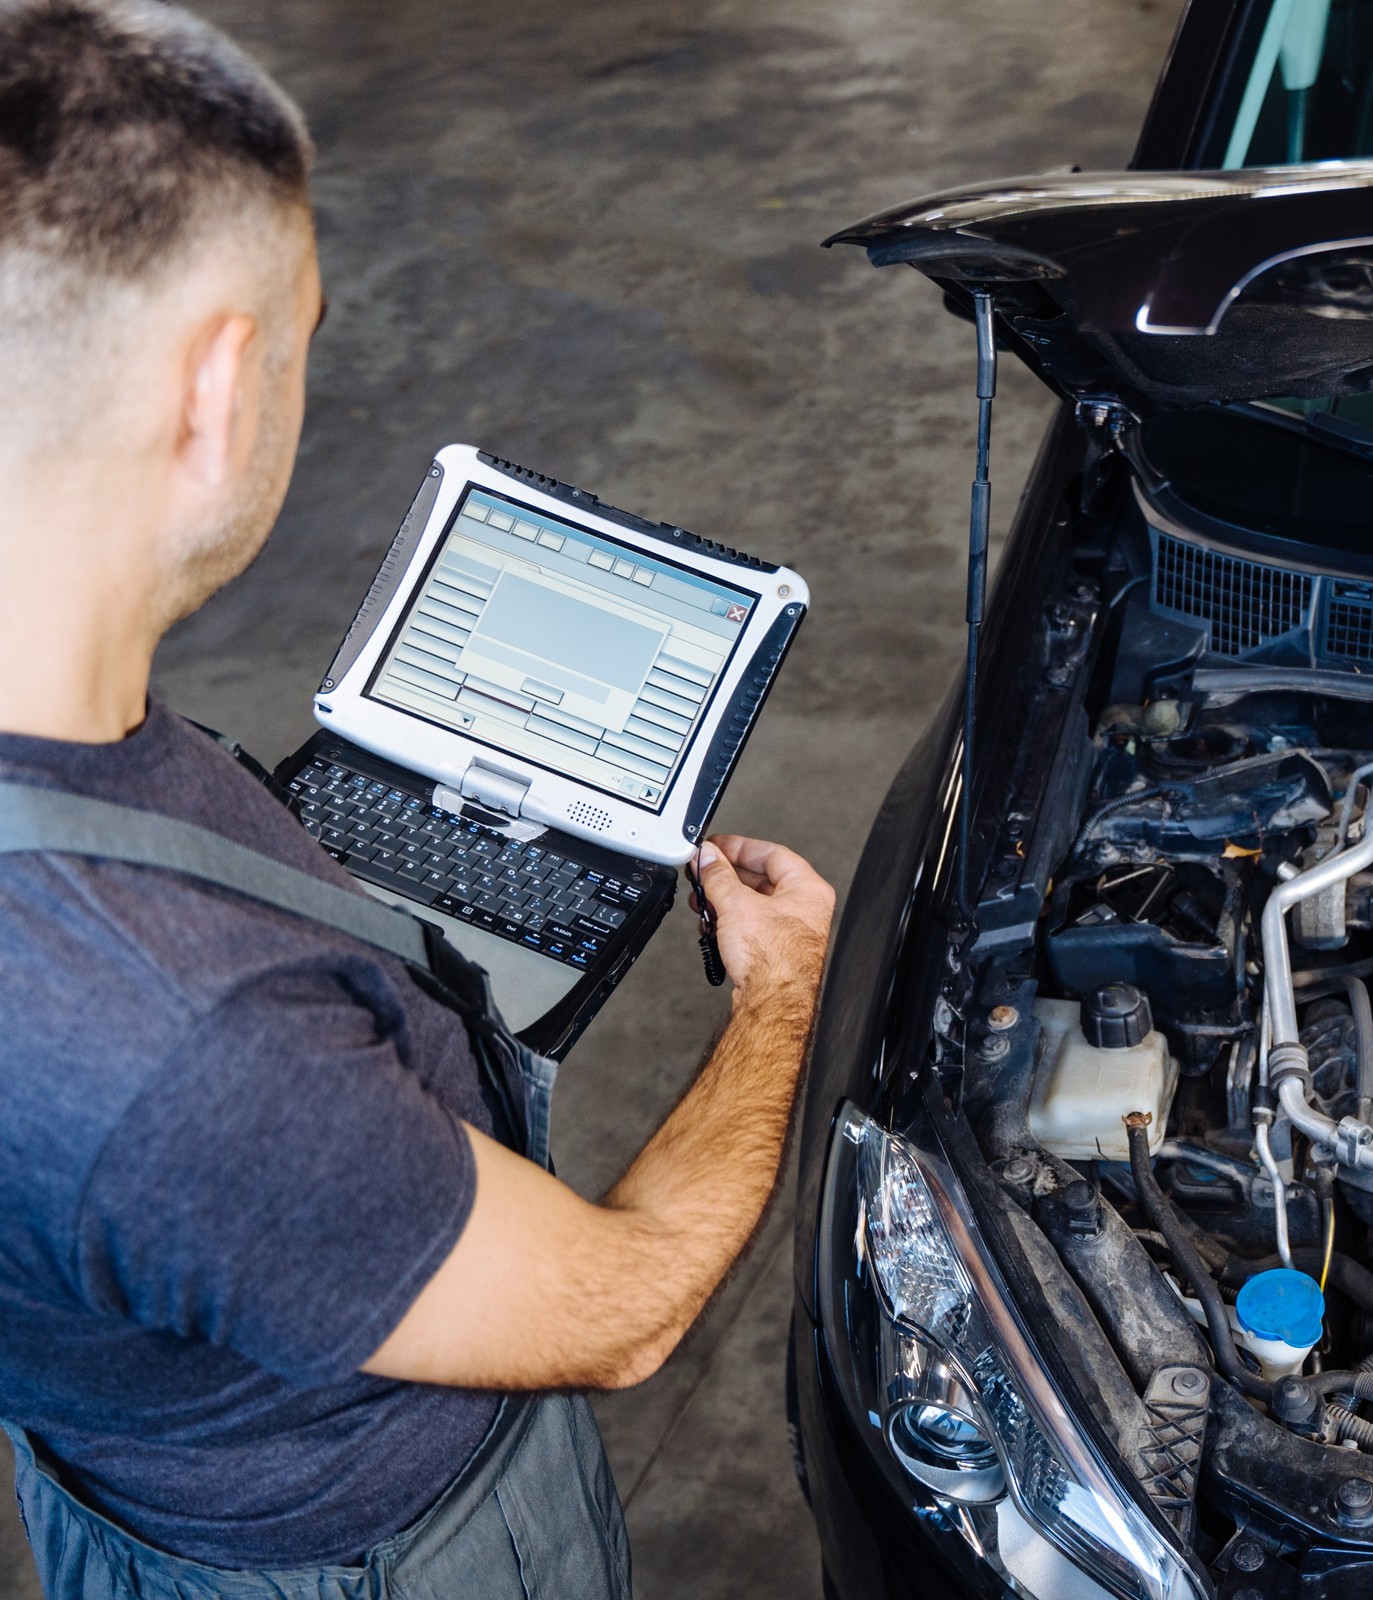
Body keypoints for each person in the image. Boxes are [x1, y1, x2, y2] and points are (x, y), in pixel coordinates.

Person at [0, 2, 836, 1594]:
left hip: (115, 1469)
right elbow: (626, 1307)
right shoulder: (186, 1055)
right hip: (374, 1547)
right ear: (219, 388)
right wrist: (779, 1000)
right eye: (308, 332)